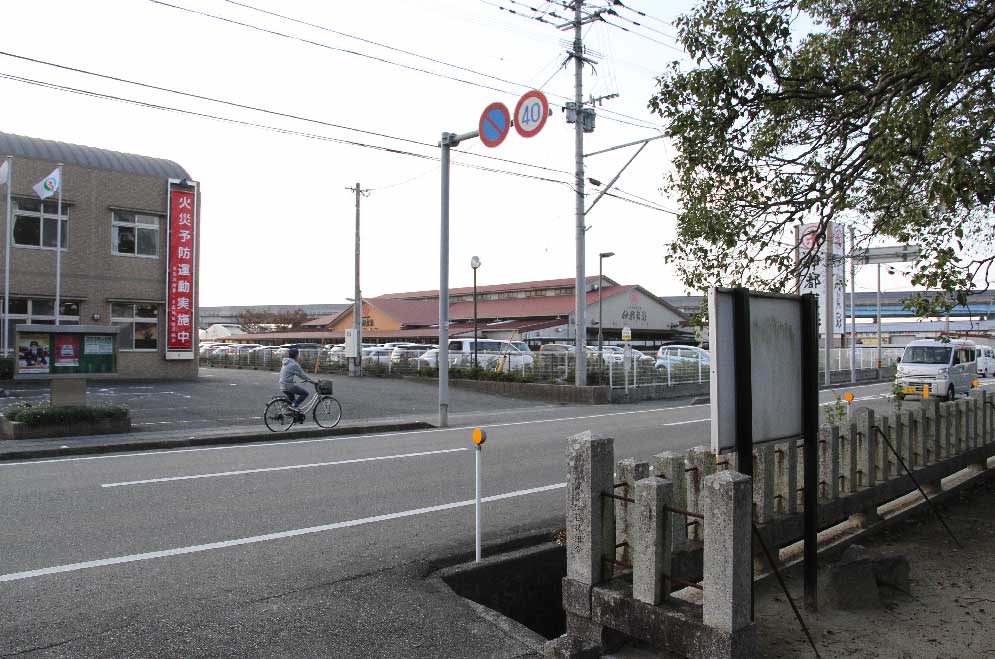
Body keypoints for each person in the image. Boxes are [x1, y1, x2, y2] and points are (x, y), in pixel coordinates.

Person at [279, 347, 317, 413]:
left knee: (292, 400)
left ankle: (292, 414)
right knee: (305, 393)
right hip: (288, 386)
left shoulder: (286, 362)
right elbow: (303, 375)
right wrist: (313, 382)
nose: (299, 356)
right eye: (298, 355)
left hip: (283, 385)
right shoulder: (294, 364)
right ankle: (293, 406)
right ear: (296, 355)